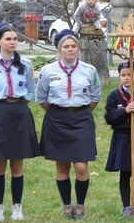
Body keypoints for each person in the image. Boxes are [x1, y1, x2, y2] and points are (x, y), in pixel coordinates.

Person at [36, 29, 101, 220]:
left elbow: (95, 96)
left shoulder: (89, 70)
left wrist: (79, 112)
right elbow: (41, 97)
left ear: (77, 48)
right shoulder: (48, 71)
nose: (70, 50)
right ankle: (67, 205)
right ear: (59, 49)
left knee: (81, 166)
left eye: (73, 46)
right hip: (57, 120)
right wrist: (59, 112)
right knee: (62, 166)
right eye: (66, 46)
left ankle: (80, 205)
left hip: (81, 119)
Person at [0, 23, 39, 221]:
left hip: (19, 113)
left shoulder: (25, 65)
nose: (12, 42)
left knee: (17, 165)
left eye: (15, 39)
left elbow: (29, 91)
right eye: (8, 39)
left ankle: (17, 207)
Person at [105, 61, 134, 216]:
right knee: (125, 173)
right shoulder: (114, 95)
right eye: (123, 75)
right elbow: (109, 117)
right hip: (122, 137)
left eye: (129, 75)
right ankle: (126, 206)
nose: (126, 78)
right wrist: (125, 110)